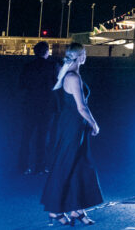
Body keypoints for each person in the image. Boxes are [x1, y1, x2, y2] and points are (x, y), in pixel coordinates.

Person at [41, 43, 103, 226]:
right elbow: (81, 107)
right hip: (71, 127)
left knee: (79, 166)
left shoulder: (71, 74)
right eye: (84, 53)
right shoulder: (73, 77)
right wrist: (94, 124)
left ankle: (77, 209)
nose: (86, 56)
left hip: (74, 126)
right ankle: (54, 211)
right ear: (80, 56)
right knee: (65, 166)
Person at [18, 40, 56, 175]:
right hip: (46, 106)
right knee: (43, 137)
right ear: (47, 52)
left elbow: (22, 85)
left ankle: (23, 166)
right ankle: (40, 167)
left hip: (30, 105)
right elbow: (55, 84)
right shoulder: (52, 66)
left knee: (26, 137)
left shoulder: (28, 66)